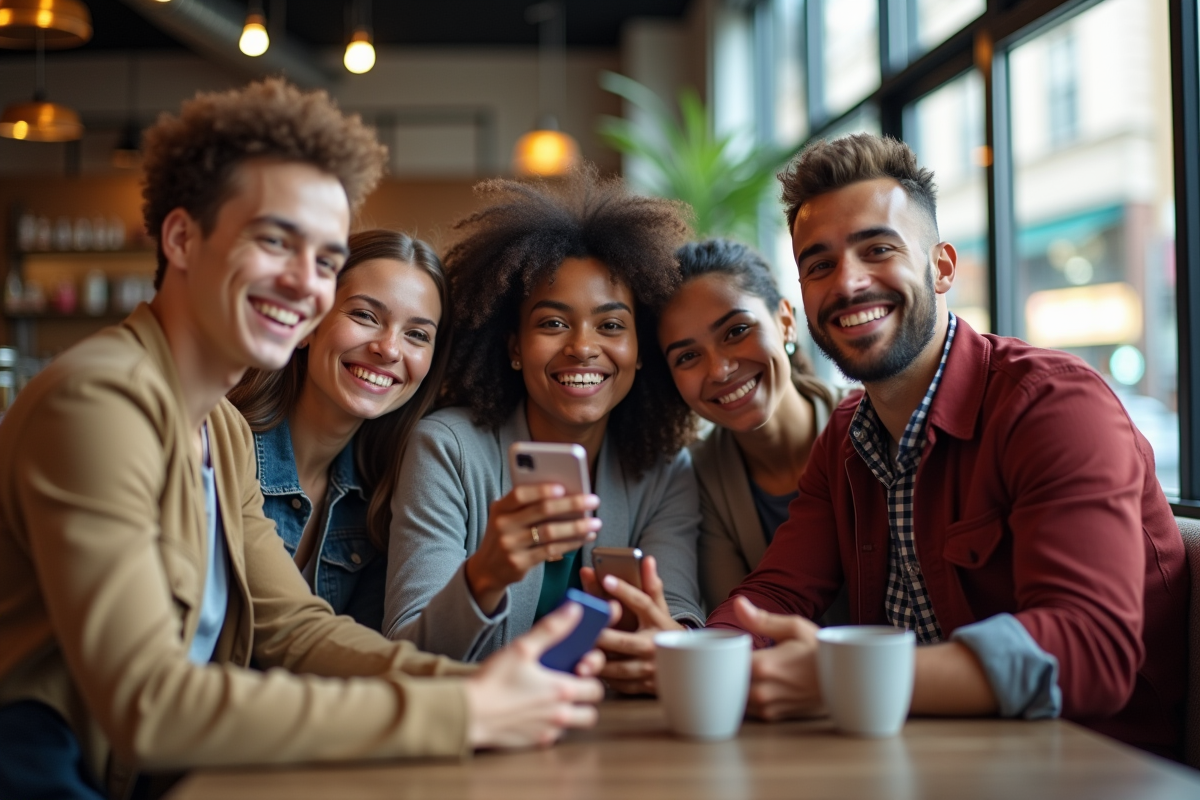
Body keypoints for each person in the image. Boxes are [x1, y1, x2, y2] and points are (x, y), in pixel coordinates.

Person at [0, 79, 603, 800]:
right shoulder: (99, 401)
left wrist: (490, 686)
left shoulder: (214, 427)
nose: (303, 283)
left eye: (323, 260)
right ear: (182, 237)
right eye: (275, 241)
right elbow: (149, 705)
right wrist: (462, 708)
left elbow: (296, 630)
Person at [706, 133, 1186, 759]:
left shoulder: (1055, 405)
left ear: (942, 267)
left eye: (877, 249)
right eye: (819, 265)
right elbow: (777, 593)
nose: (847, 283)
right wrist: (692, 652)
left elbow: (1089, 648)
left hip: (1085, 766)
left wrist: (842, 678)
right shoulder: (848, 434)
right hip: (917, 756)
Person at [383, 167, 705, 691]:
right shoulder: (448, 450)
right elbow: (407, 647)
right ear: (513, 347)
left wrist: (671, 640)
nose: (582, 346)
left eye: (611, 325)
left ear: (640, 350)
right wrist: (483, 575)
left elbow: (681, 612)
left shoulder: (666, 466)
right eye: (553, 323)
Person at [228, 230, 449, 631]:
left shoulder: (380, 496)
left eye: (417, 334)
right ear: (309, 322)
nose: (390, 349)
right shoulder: (223, 445)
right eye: (365, 315)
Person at [657, 238, 846, 617]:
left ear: (786, 323)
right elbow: (742, 623)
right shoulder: (697, 477)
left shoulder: (872, 426)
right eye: (688, 356)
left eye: (736, 330)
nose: (719, 370)